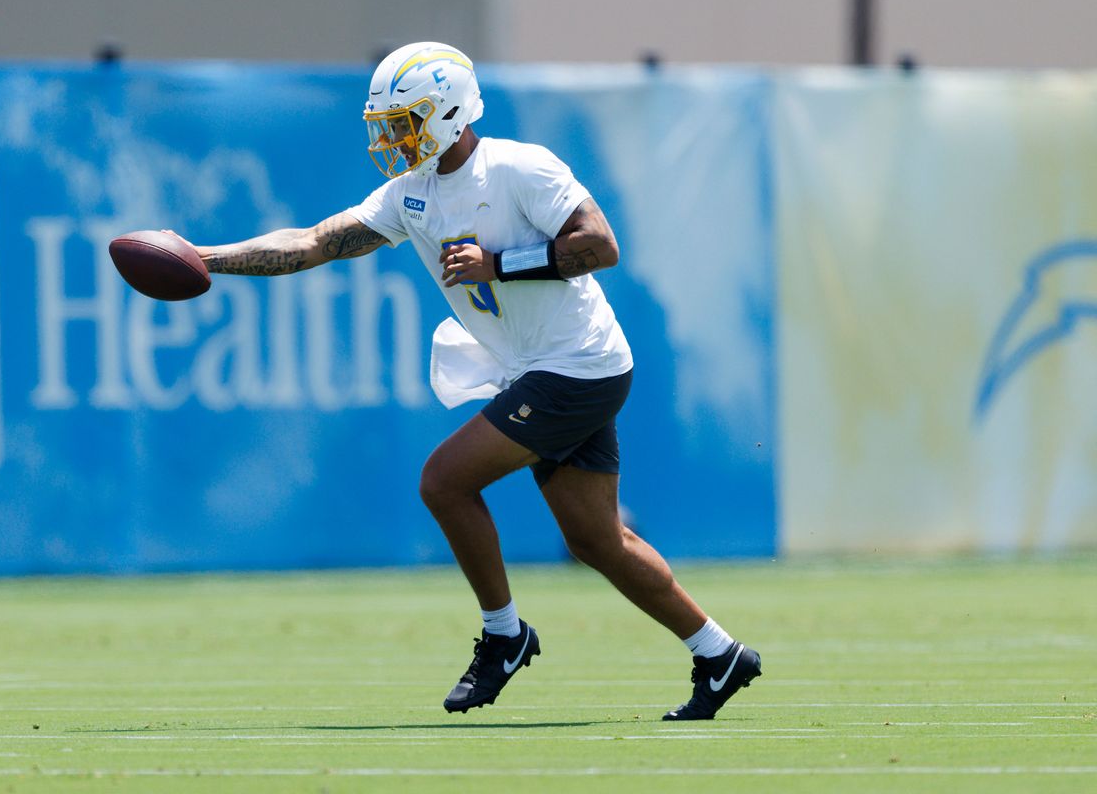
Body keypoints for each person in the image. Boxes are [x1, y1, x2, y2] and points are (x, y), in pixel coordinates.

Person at [170, 41, 760, 720]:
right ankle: (719, 655)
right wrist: (204, 258)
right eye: (387, 125)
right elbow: (312, 242)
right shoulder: (410, 194)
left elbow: (601, 245)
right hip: (545, 366)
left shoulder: (517, 167)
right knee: (598, 540)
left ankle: (504, 636)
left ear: (450, 110)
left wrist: (499, 263)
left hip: (577, 367)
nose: (393, 137)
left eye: (405, 121)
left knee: (444, 479)